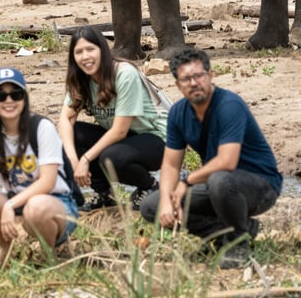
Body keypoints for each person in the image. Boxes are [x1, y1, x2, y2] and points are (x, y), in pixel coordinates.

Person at [140, 48, 282, 269]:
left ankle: (236, 244)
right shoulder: (178, 113)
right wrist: (167, 201)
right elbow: (170, 164)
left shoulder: (229, 105)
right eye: (186, 79)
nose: (194, 83)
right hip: (220, 185)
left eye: (199, 76)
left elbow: (227, 161)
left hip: (260, 185)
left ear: (211, 76)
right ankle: (227, 234)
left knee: (219, 180)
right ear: (178, 85)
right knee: (151, 206)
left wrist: (187, 182)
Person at [0, 68, 78, 265]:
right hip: (18, 201)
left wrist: (10, 205)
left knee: (36, 206)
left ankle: (48, 255)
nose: (8, 101)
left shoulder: (42, 127)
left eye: (15, 94)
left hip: (55, 203)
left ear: (24, 98)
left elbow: (48, 182)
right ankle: (7, 245)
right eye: (1, 96)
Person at [58, 25, 167, 212]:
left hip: (156, 138)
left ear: (103, 50)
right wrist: (72, 158)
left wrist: (84, 159)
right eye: (79, 52)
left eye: (90, 49)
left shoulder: (124, 74)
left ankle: (150, 187)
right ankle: (104, 194)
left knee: (112, 158)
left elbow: (119, 131)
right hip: (123, 139)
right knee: (74, 135)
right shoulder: (81, 78)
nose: (85, 57)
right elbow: (65, 119)